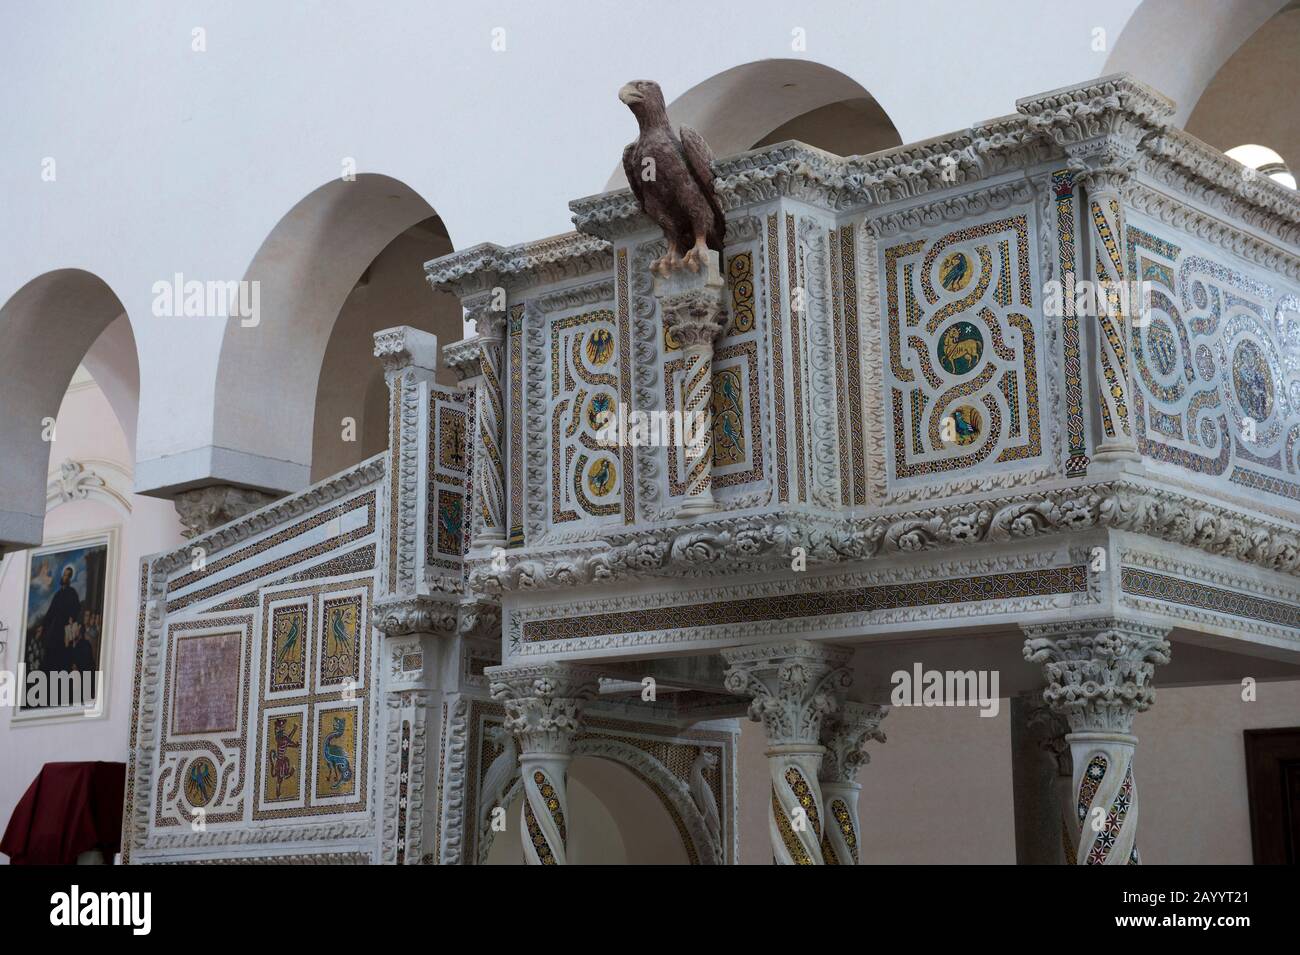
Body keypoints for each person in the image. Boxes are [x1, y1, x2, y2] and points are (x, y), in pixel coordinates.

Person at [38, 565, 81, 674]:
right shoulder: (58, 594)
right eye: (64, 575)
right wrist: (42, 626)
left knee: (63, 655)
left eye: (67, 575)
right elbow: (50, 612)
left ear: (70, 578)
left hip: (65, 629)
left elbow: (76, 608)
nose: (64, 577)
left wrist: (72, 617)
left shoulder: (72, 593)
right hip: (55, 628)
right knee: (50, 652)